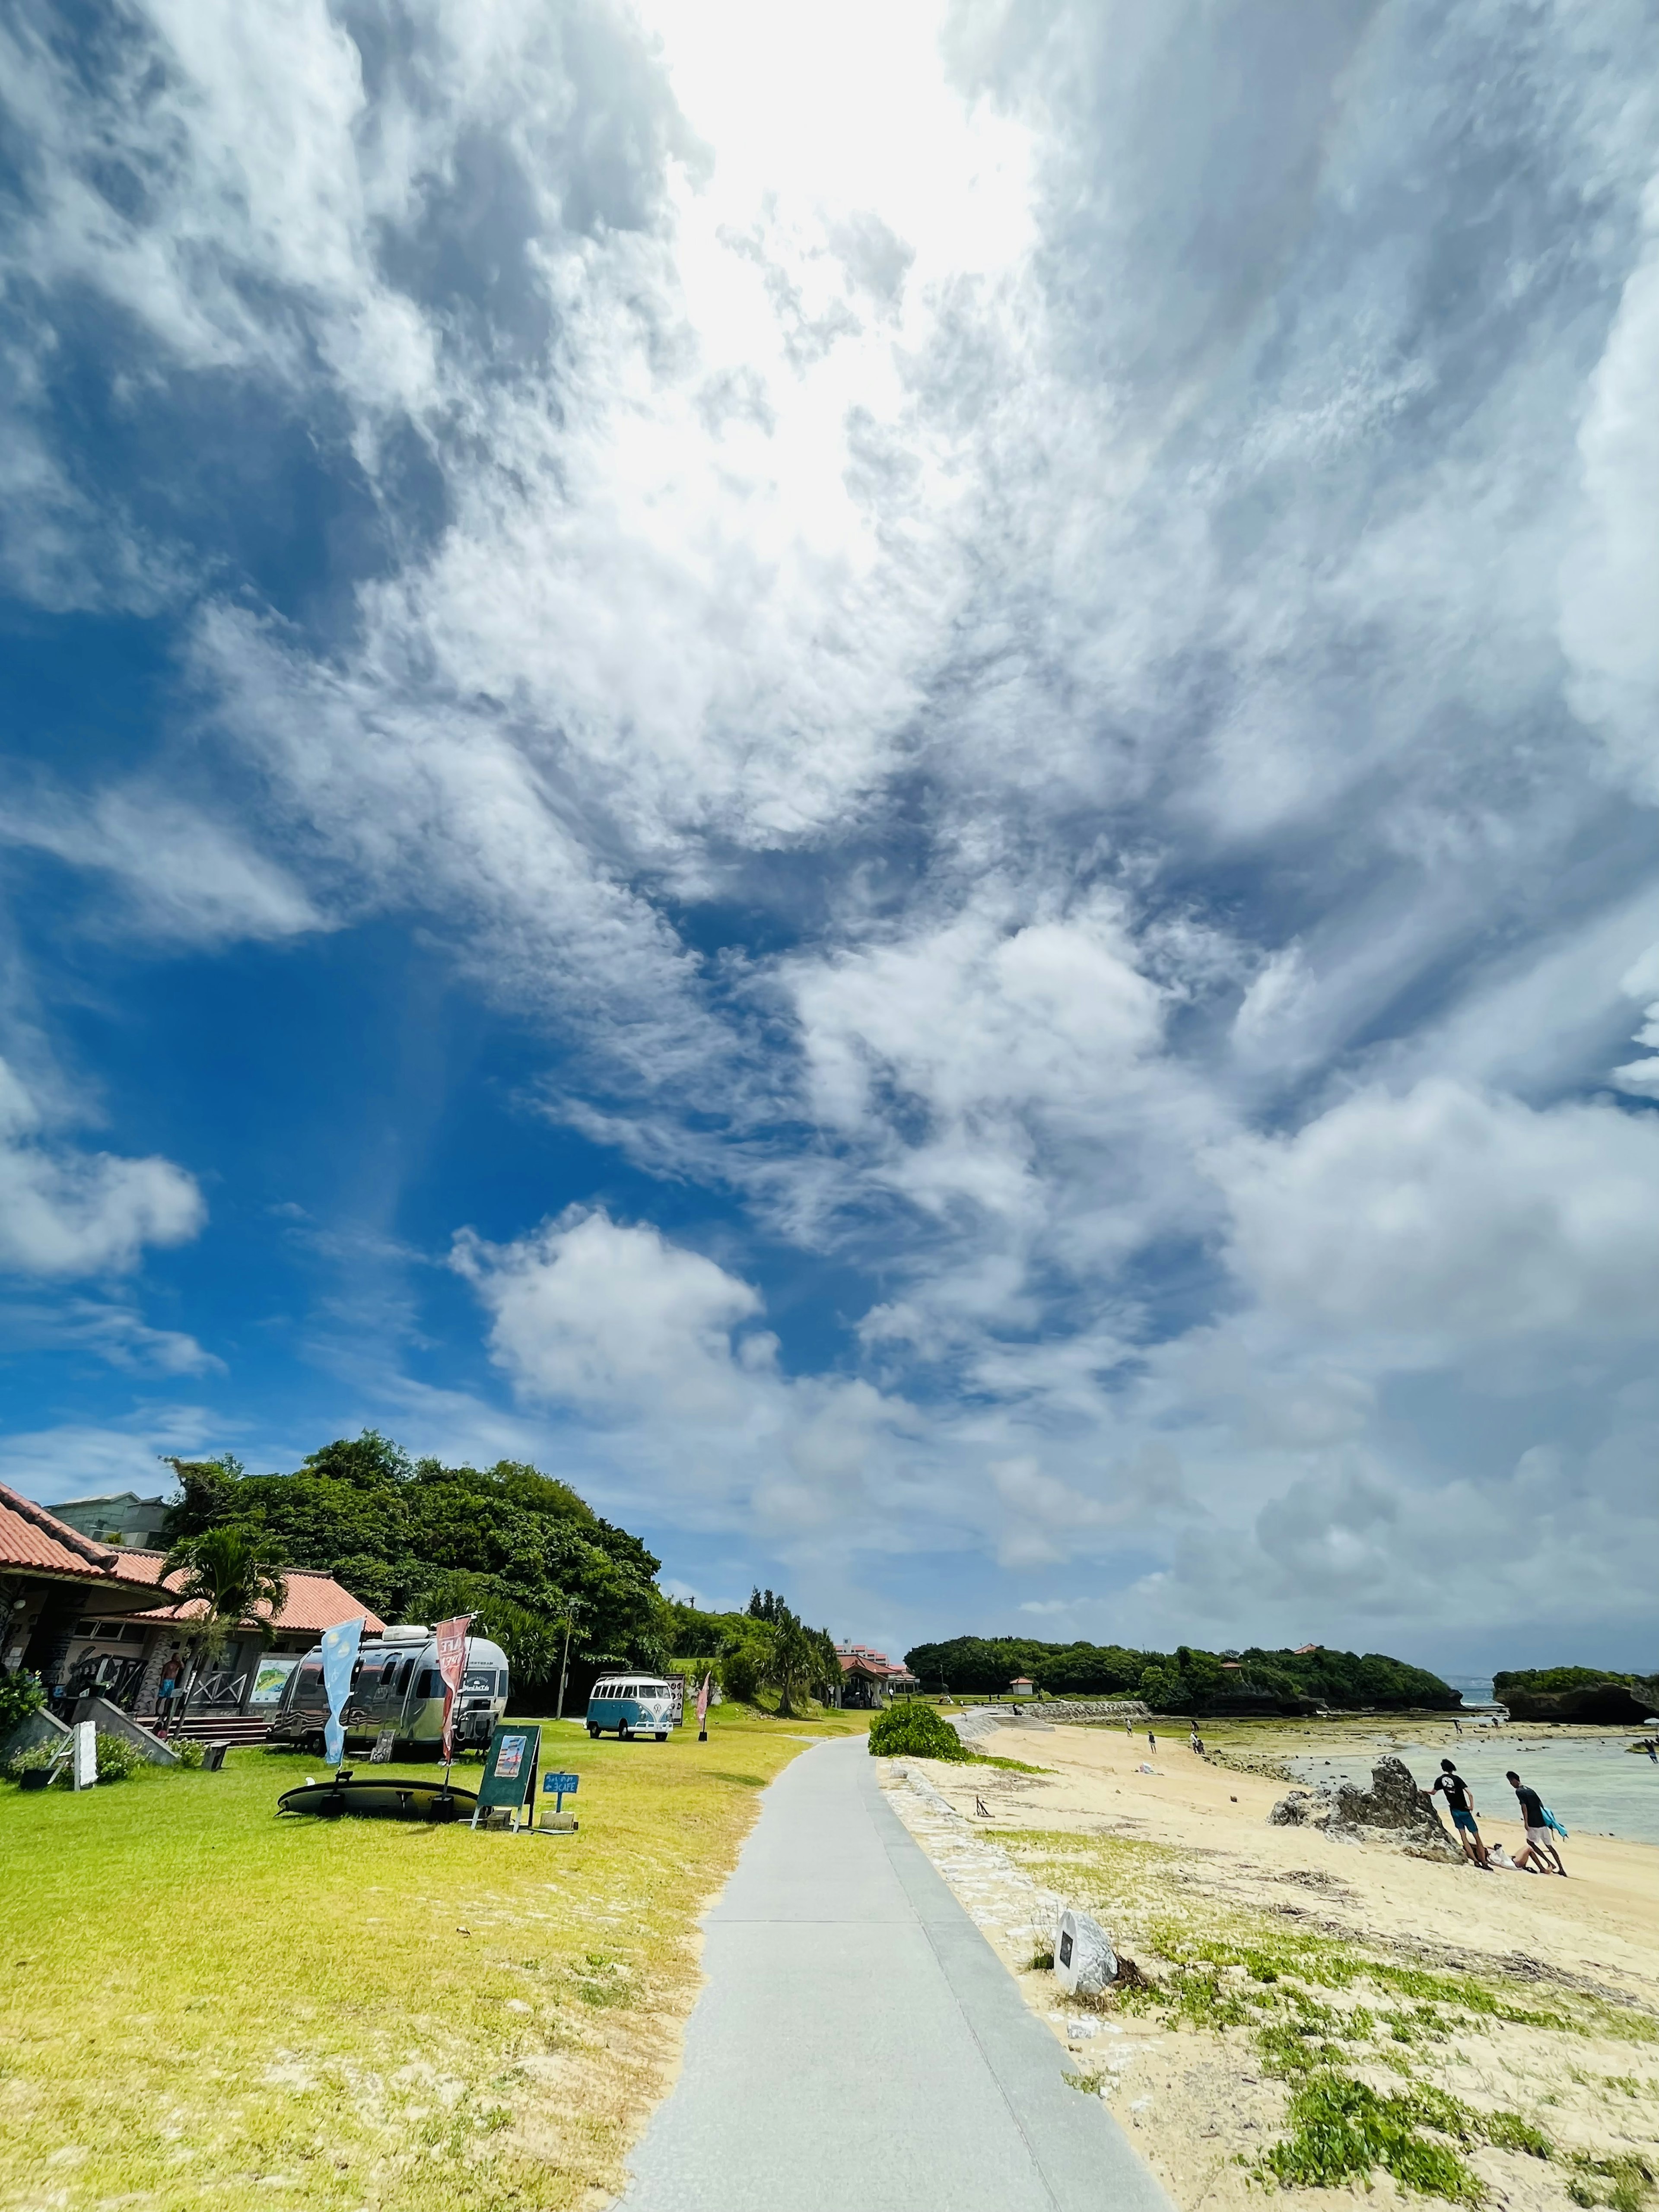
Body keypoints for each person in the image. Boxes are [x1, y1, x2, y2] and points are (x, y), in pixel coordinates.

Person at [1429, 1758, 1490, 1867]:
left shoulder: (1440, 1780)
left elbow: (1433, 1793)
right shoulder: (1457, 1779)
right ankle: (1484, 1862)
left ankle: (1475, 1861)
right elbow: (1470, 1794)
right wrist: (1471, 1807)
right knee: (1477, 1838)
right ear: (1452, 1768)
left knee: (1464, 1837)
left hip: (1454, 1811)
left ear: (1443, 1768)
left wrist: (1423, 1791)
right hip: (1465, 1812)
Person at [1507, 1770, 1567, 1875]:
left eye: (1511, 1782)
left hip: (1533, 1823)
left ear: (1514, 1780)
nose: (1511, 1784)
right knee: (1549, 1846)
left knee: (1530, 1843)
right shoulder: (1531, 1790)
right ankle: (1561, 1869)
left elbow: (1524, 1807)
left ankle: (1549, 1863)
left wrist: (1526, 1822)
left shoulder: (1519, 1792)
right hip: (1542, 1823)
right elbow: (1541, 1805)